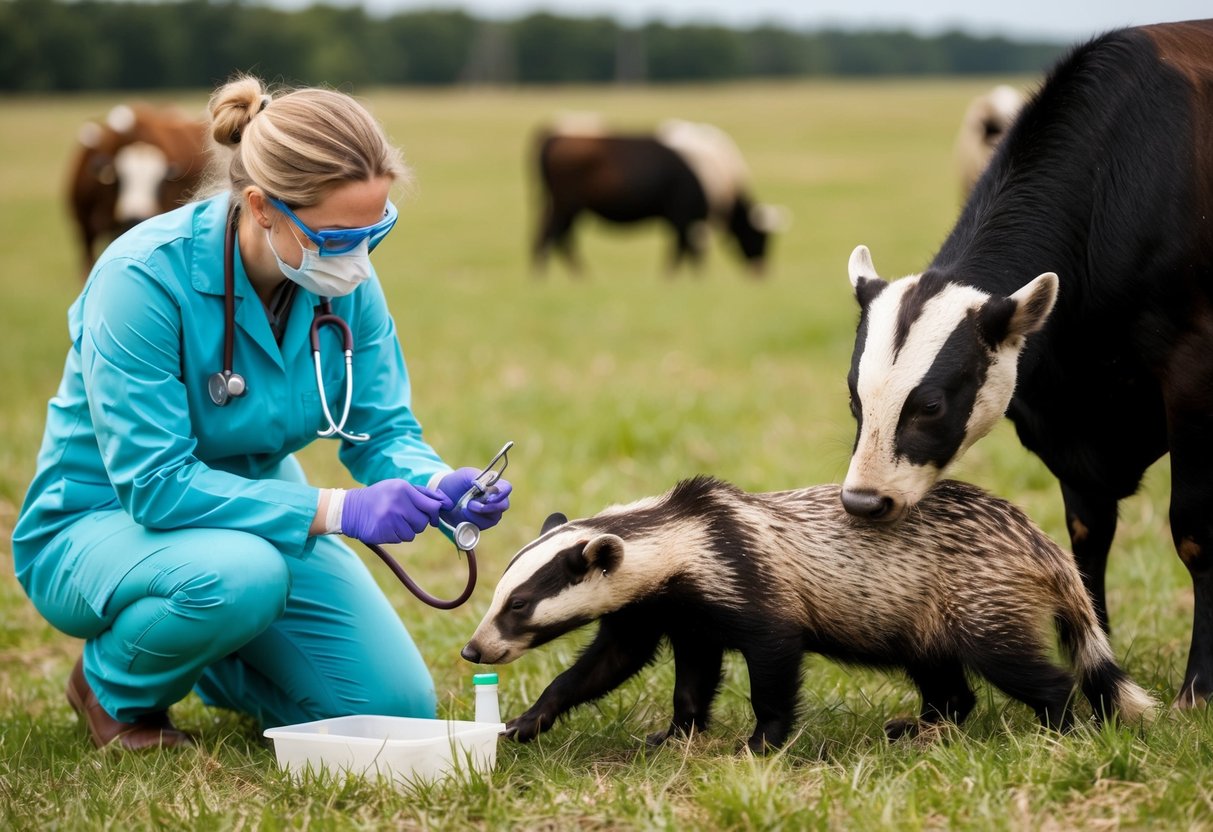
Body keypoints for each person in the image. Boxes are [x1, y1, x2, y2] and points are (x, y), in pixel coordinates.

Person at [10, 75, 512, 751]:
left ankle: (204, 643)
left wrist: (435, 482)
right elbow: (156, 487)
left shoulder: (340, 269)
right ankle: (113, 689)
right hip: (104, 524)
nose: (359, 259)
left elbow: (381, 429)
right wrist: (342, 511)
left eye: (376, 230)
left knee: (393, 708)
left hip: (259, 522)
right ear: (261, 206)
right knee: (239, 576)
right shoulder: (139, 277)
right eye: (339, 235)